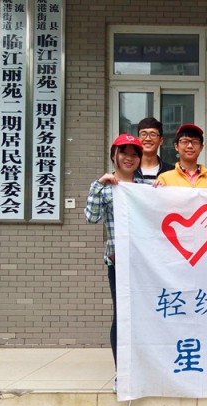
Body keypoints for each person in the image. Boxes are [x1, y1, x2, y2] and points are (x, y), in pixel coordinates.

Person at [84, 134, 143, 392]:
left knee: (143, 316)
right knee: (122, 315)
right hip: (117, 263)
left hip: (145, 265)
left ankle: (142, 369)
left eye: (134, 153)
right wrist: (99, 184)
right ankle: (123, 373)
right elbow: (91, 217)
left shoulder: (144, 188)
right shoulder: (106, 188)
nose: (129, 158)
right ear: (114, 156)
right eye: (124, 153)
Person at [155, 124, 207, 188]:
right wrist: (157, 188)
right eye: (184, 141)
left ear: (201, 147)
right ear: (176, 146)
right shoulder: (164, 179)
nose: (190, 146)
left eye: (195, 142)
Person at [134, 117, 174, 184]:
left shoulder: (171, 171)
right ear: (138, 139)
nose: (148, 139)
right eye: (143, 134)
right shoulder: (129, 170)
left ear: (161, 140)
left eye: (153, 135)